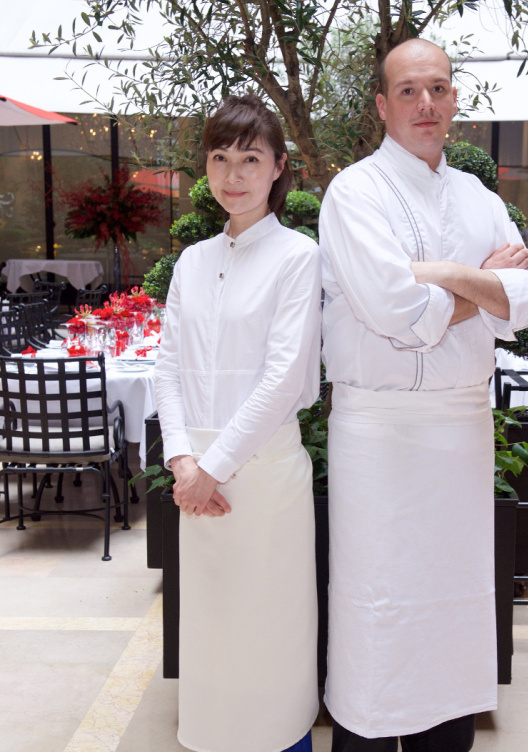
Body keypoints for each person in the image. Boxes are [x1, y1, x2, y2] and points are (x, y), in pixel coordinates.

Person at [319, 38, 528, 752]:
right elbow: (394, 315)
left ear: (454, 101)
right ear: (384, 106)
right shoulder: (354, 192)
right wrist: (484, 285)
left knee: (451, 617)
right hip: (378, 440)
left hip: (458, 436)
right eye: (410, 91)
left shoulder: (478, 196)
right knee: (375, 618)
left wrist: (443, 273)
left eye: (439, 89)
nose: (427, 103)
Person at [154, 94, 321, 752]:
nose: (234, 175)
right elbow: (166, 369)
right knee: (211, 640)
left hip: (264, 480)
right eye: (220, 158)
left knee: (267, 641)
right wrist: (182, 462)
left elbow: (283, 380)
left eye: (250, 159)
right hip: (198, 485)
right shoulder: (192, 262)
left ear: (278, 167)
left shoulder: (297, 257)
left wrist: (211, 467)